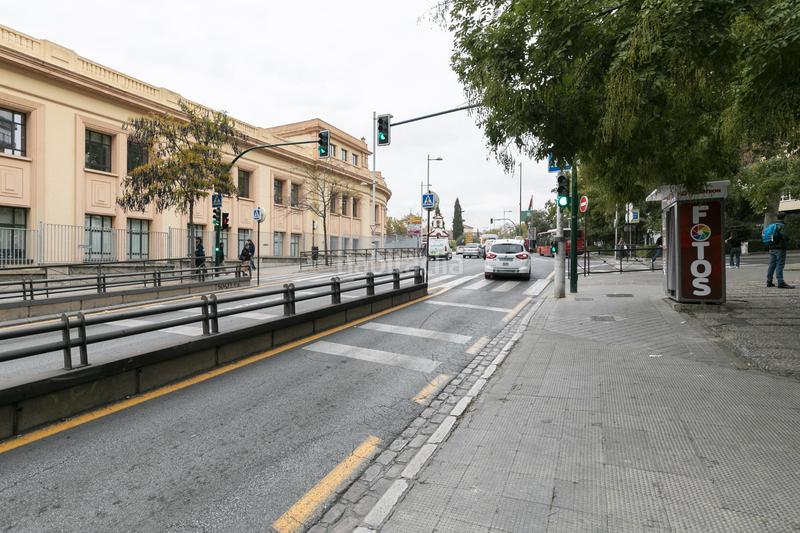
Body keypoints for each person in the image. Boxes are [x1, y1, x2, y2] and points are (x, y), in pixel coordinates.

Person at [766, 212, 794, 289]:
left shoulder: (772, 225)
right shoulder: (782, 226)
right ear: (784, 218)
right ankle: (780, 282)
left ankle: (769, 281)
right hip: (780, 248)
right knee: (780, 265)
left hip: (771, 247)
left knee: (772, 265)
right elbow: (785, 236)